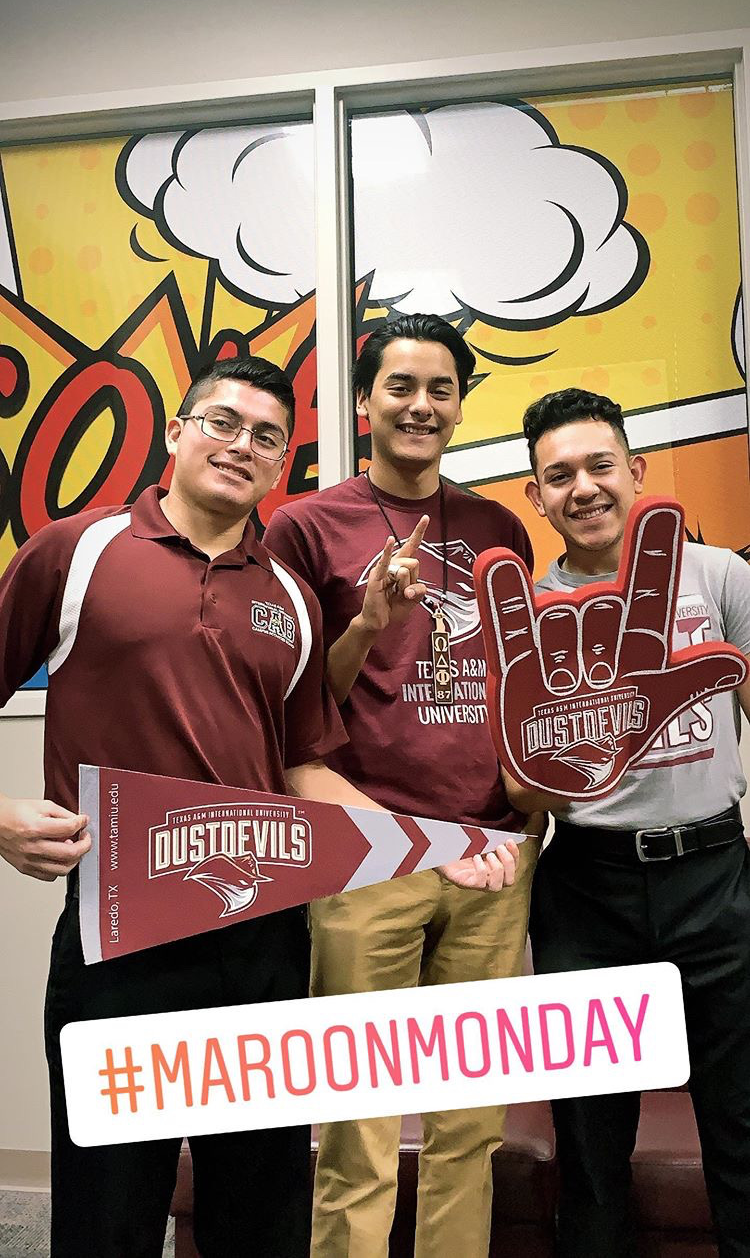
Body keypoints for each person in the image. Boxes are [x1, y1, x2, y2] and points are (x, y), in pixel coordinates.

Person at [0, 354, 517, 1258]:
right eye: (223, 422)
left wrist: (431, 845)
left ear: (283, 463)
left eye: (267, 437)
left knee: (258, 1215)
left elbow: (304, 767)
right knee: (109, 1213)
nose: (242, 446)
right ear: (176, 431)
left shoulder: (287, 595)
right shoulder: (75, 551)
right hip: (118, 942)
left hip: (262, 939)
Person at [263, 313, 545, 1258]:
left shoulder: (500, 526)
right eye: (400, 386)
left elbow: (515, 687)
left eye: (440, 388)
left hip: (491, 855)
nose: (421, 405)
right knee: (360, 1128)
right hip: (366, 855)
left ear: (461, 405)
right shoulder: (304, 526)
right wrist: (367, 618)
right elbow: (298, 707)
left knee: (472, 1128)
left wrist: (532, 806)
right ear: (363, 401)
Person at [521, 386, 750, 1258]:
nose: (583, 487)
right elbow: (521, 789)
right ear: (535, 497)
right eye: (559, 475)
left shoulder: (721, 575)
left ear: (637, 470)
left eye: (599, 464)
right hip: (589, 893)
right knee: (590, 1144)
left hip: (716, 877)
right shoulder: (531, 617)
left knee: (740, 1124)